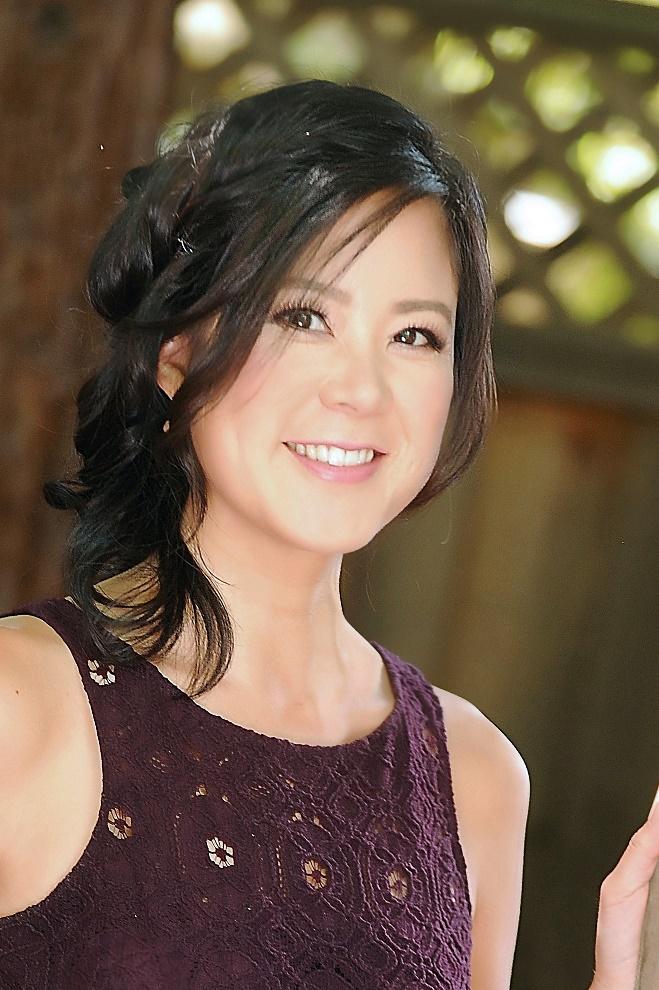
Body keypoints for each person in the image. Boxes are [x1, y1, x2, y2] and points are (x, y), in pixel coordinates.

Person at [0, 79, 655, 990]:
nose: (361, 390)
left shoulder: (475, 778)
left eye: (415, 336)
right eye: (303, 317)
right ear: (172, 351)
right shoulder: (21, 703)